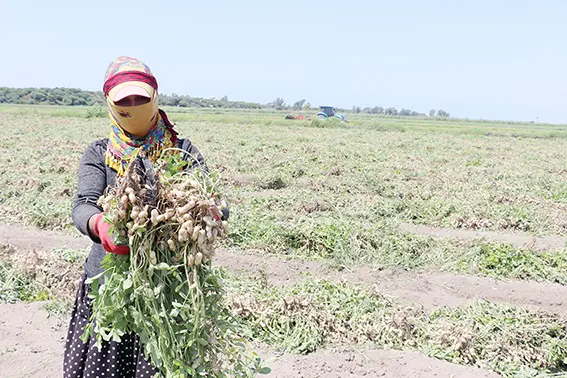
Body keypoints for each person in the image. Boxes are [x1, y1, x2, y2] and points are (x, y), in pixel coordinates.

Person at [63, 56, 207, 378]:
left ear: (154, 97)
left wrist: (202, 211)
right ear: (110, 104)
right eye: (124, 100)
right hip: (109, 283)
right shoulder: (100, 153)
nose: (133, 104)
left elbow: (216, 203)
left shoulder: (181, 152)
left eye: (140, 98)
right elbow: (83, 204)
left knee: (164, 364)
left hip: (168, 284)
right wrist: (99, 224)